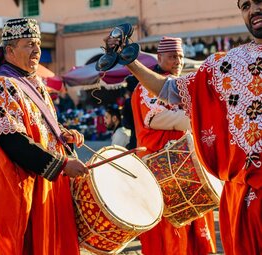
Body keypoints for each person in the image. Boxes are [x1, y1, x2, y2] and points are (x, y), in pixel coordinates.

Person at [106, 1, 262, 253]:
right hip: (243, 197)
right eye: (246, 5)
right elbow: (170, 91)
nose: (253, 9)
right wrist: (131, 63)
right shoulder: (227, 65)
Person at [0, 18, 89, 255]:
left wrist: (63, 135)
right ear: (9, 50)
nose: (37, 50)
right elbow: (12, 139)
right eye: (29, 44)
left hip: (48, 180)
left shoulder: (35, 82)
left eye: (38, 43)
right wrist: (61, 164)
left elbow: (42, 126)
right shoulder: (1, 84)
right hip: (28, 183)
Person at [130, 37, 216, 255]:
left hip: (188, 169)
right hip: (163, 170)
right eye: (171, 56)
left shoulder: (182, 84)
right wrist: (201, 116)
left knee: (194, 229)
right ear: (159, 58)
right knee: (169, 232)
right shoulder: (148, 85)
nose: (177, 60)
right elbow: (156, 118)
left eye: (179, 56)